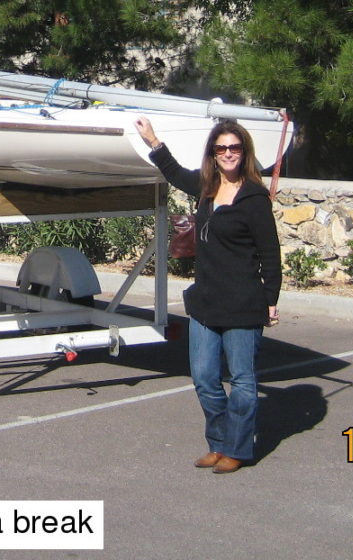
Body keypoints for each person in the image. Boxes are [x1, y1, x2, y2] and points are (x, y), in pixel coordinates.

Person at [134, 116, 282, 474]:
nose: (228, 153)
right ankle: (218, 443)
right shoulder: (206, 187)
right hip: (205, 301)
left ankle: (238, 448)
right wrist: (153, 140)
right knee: (204, 378)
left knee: (243, 382)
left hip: (244, 302)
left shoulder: (254, 198)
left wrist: (271, 298)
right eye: (221, 148)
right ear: (213, 155)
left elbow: (270, 253)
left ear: (243, 152)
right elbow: (174, 172)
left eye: (234, 147)